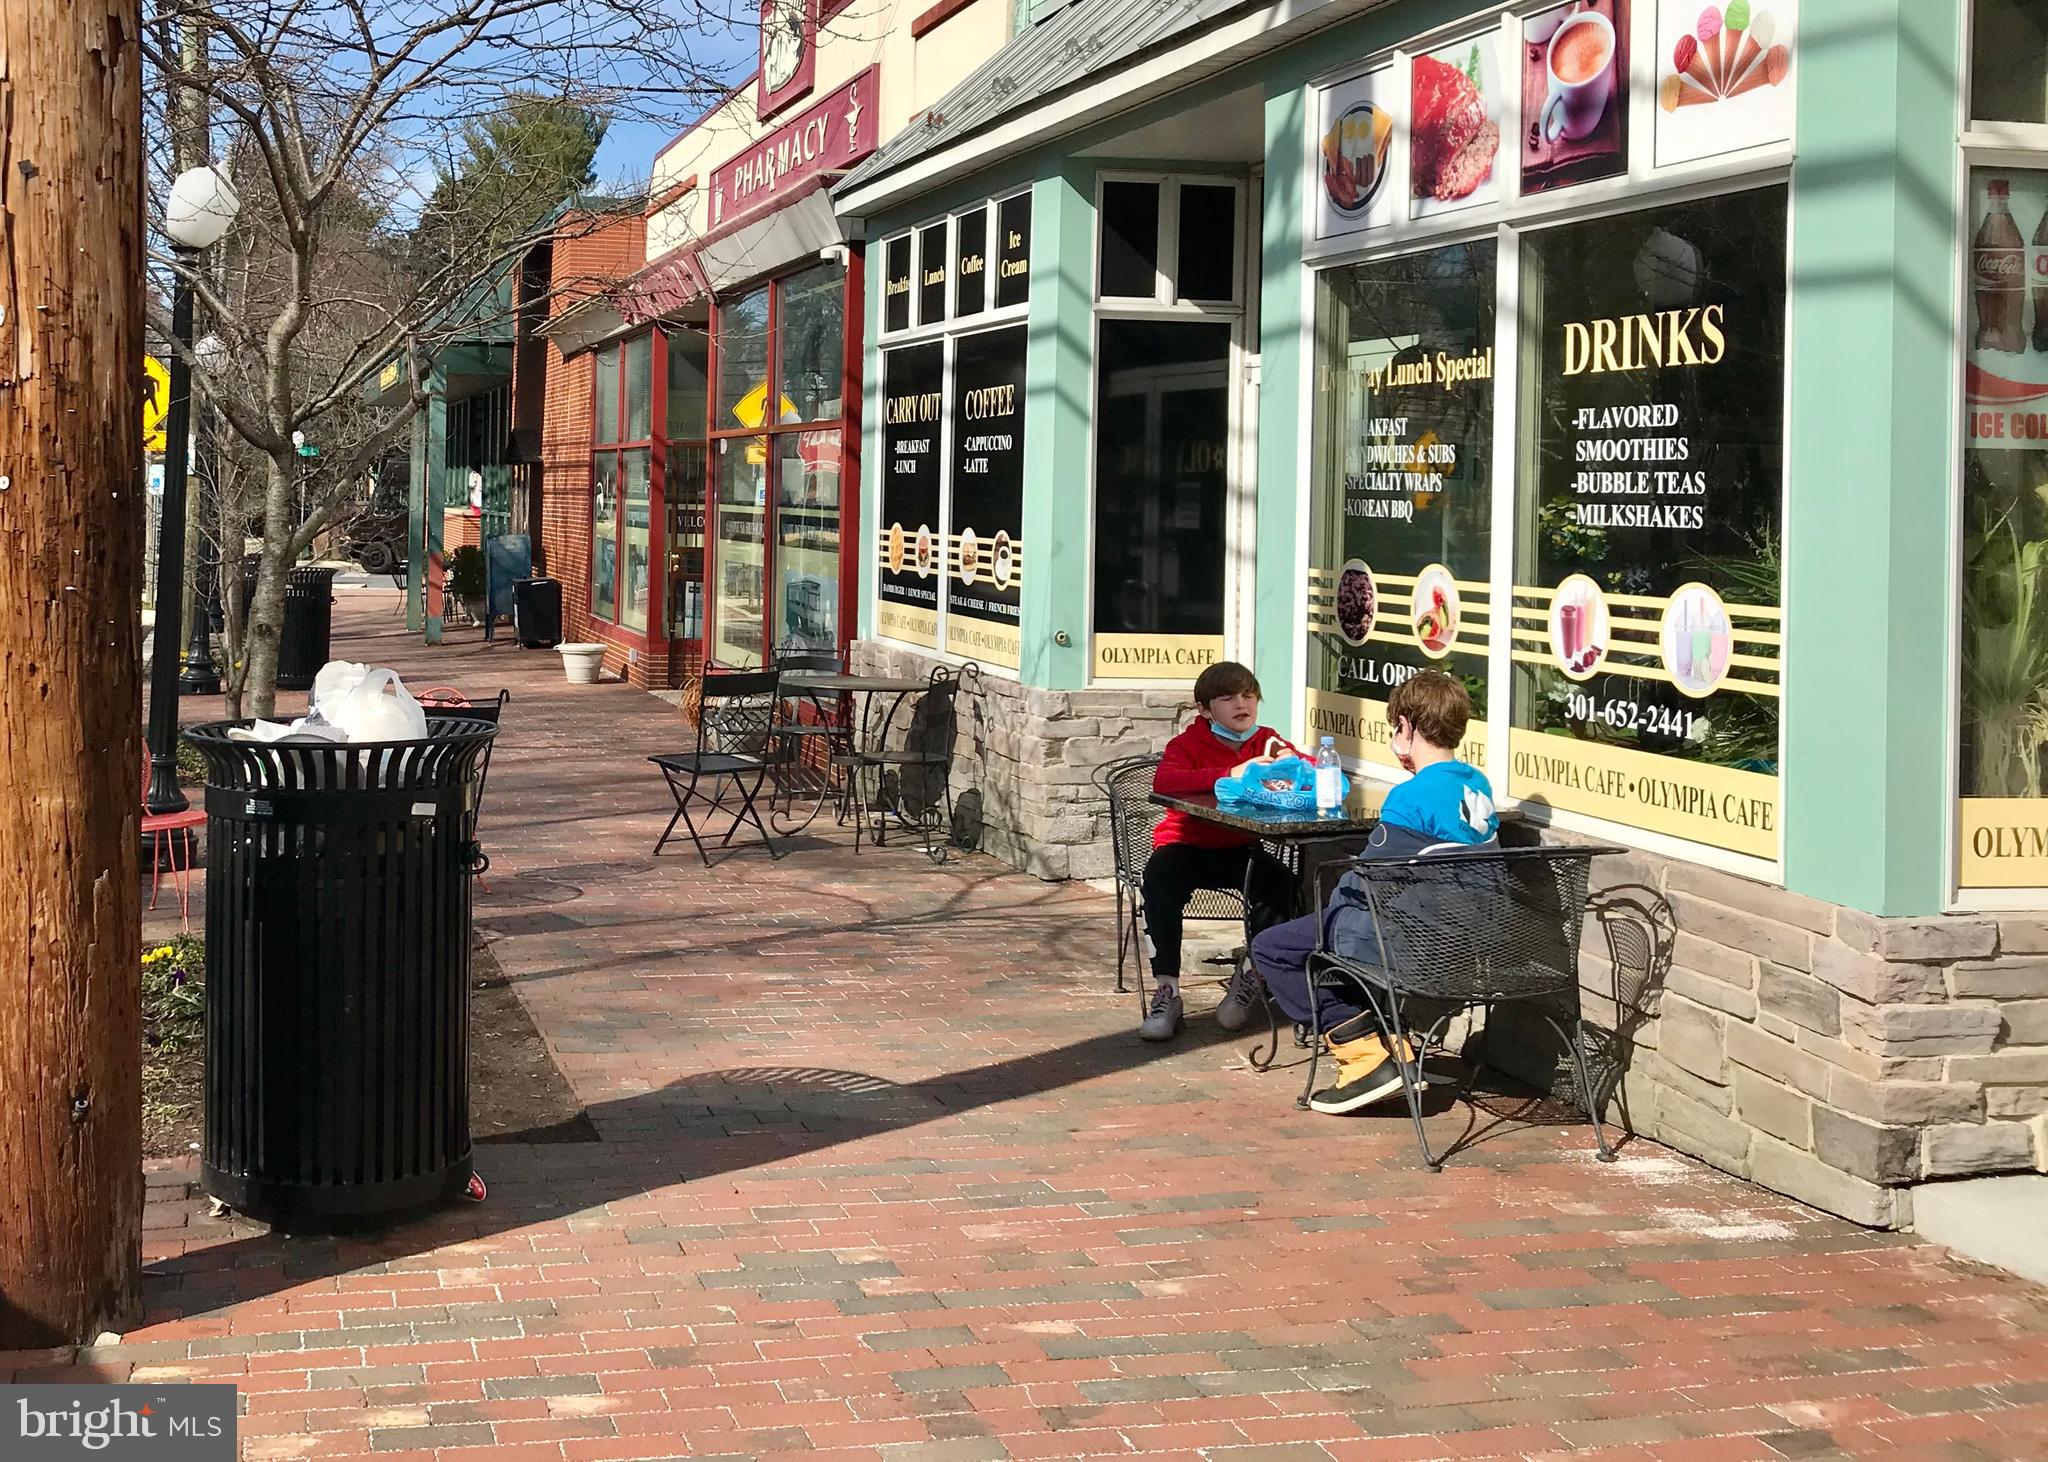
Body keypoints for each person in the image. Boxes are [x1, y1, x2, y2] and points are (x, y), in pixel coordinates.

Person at [1245, 670, 1498, 1113]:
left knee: (1274, 947)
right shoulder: (1477, 785)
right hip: (1466, 939)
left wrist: (1333, 901)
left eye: (1393, 730)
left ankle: (1364, 1058)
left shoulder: (1411, 796)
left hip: (1413, 941)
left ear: (1405, 727)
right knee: (1341, 936)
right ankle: (1394, 1048)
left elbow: (1372, 878)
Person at [1140, 662, 1300, 1042]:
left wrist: (1289, 767)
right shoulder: (1186, 744)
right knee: (1160, 880)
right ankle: (1168, 991)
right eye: (1227, 698)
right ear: (1205, 710)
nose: (1241, 704)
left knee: (1283, 885)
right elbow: (1165, 781)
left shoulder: (1268, 740)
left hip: (1240, 845)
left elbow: (1310, 770)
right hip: (1185, 843)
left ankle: (1250, 976)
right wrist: (1233, 774)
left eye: (1248, 695)